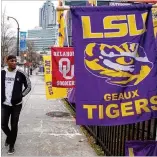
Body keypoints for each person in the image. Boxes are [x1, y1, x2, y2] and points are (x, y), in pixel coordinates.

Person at [1, 55, 31, 154]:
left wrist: (20, 95)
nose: (14, 62)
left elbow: (28, 86)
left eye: (15, 61)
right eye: (12, 61)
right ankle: (10, 137)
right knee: (3, 125)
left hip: (16, 104)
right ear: (7, 61)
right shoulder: (2, 73)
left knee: (14, 125)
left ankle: (11, 145)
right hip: (5, 104)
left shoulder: (20, 72)